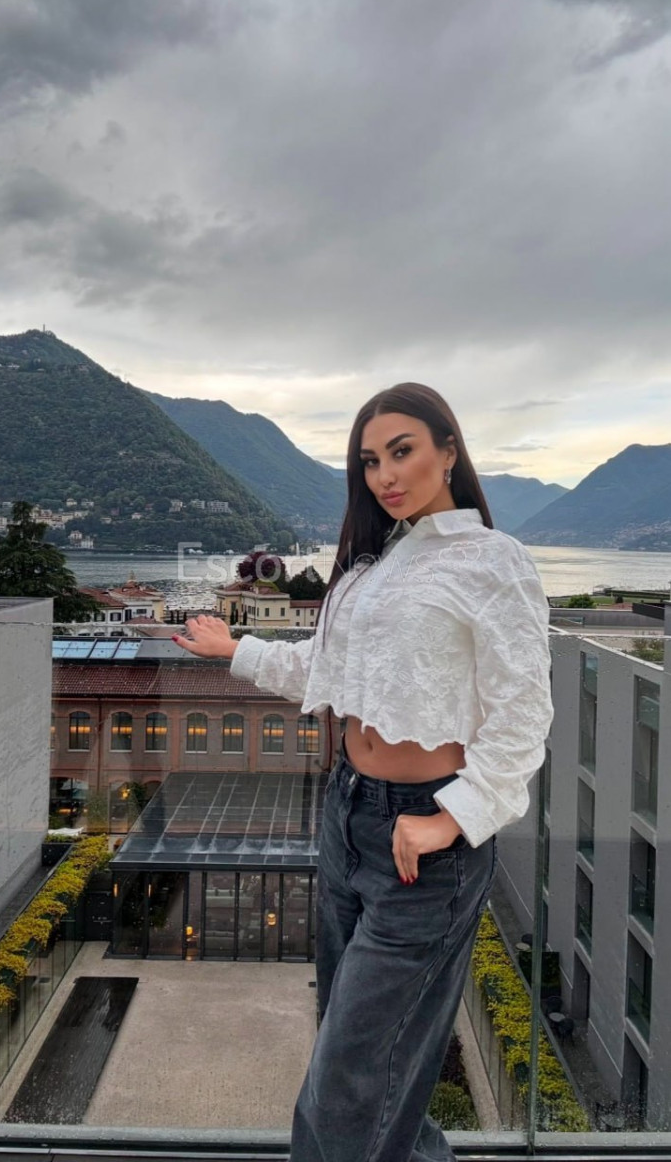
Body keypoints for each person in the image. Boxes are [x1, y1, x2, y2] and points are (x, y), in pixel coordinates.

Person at [173, 382, 554, 1162]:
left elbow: (523, 709)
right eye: (370, 460)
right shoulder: (371, 567)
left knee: (348, 1081)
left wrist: (453, 816)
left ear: (448, 450)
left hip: (423, 841)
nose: (384, 475)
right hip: (348, 818)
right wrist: (233, 650)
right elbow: (326, 671)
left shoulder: (491, 561)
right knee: (367, 1064)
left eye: (401, 451)